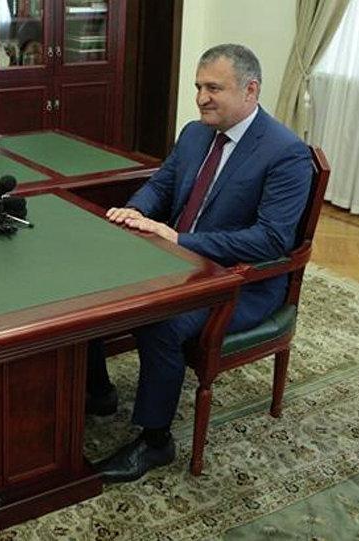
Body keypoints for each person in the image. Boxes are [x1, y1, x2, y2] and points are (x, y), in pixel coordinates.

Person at [87, 44, 313, 482]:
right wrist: (134, 212)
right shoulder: (195, 133)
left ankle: (156, 442)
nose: (201, 98)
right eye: (198, 87)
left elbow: (271, 239)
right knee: (93, 284)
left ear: (250, 90)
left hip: (239, 283)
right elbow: (162, 185)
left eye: (214, 88)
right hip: (179, 261)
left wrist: (180, 238)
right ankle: (98, 392)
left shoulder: (286, 152)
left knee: (161, 321)